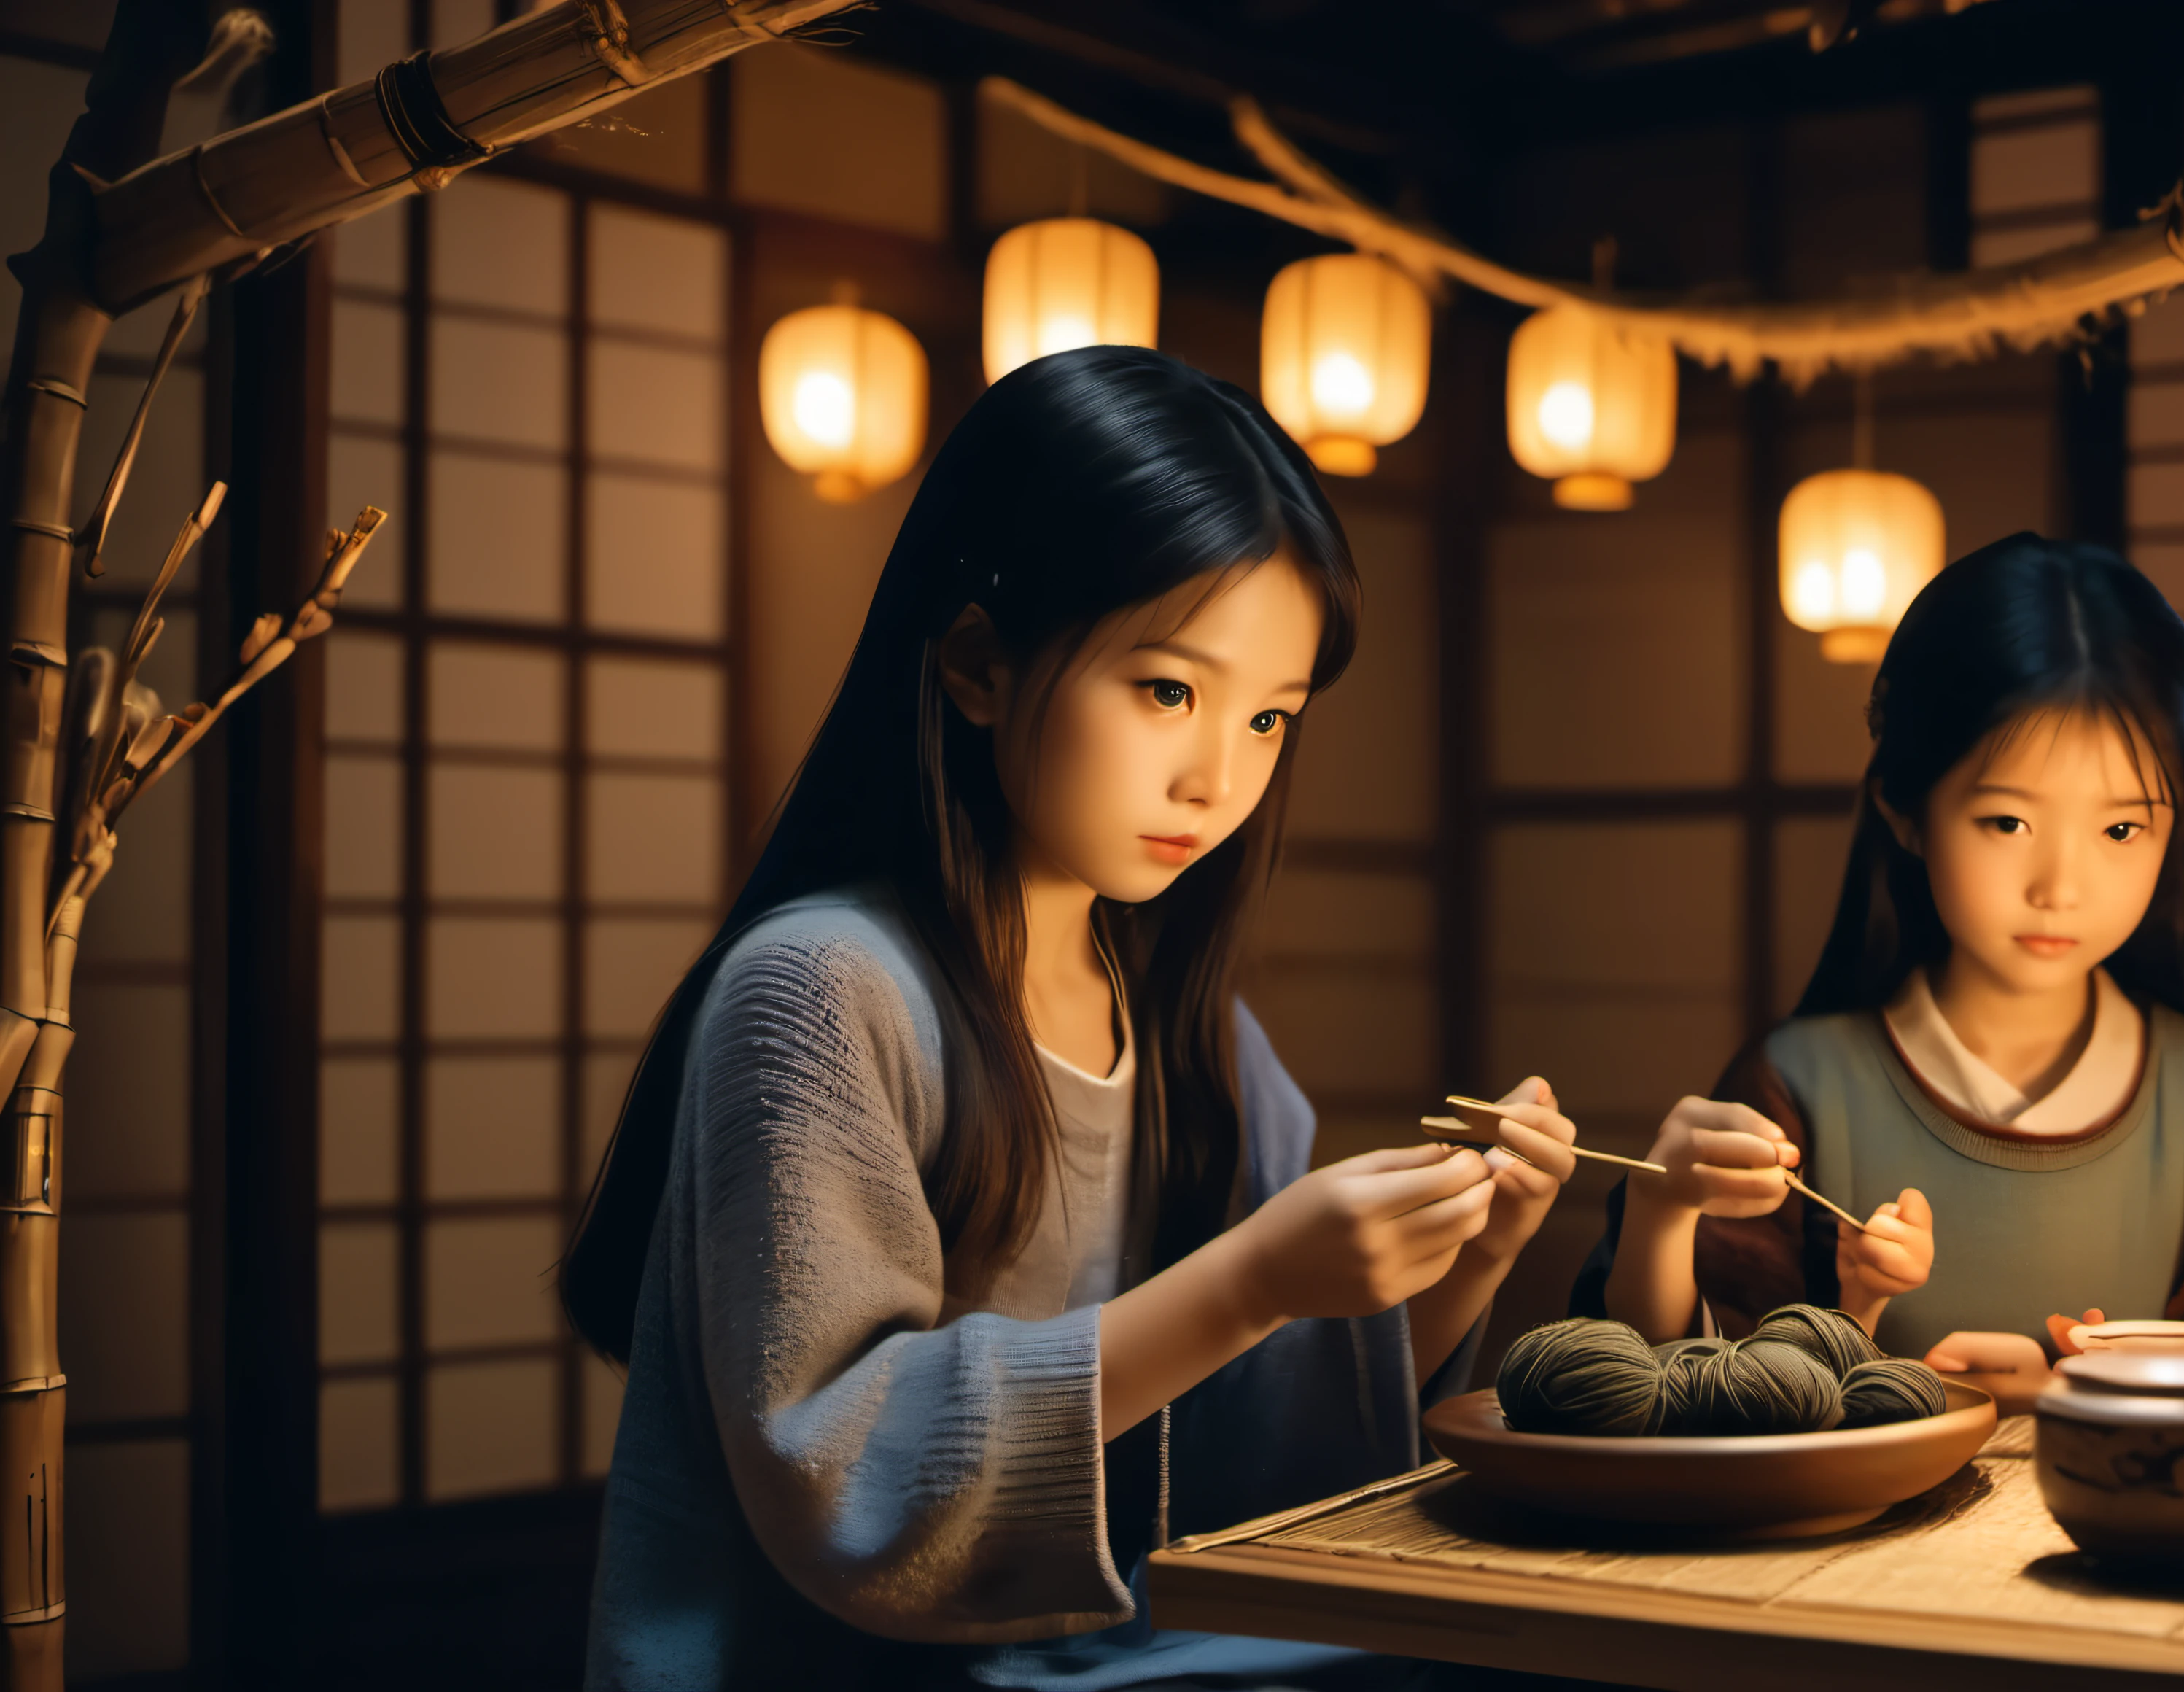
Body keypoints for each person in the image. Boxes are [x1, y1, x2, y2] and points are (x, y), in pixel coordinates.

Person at [562, 346, 1582, 1690]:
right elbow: (843, 1467)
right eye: (1169, 690)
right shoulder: (822, 992)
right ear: (980, 664)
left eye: (1271, 716)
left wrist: (1469, 1254)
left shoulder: (1191, 1026)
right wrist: (1258, 1276)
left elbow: (1259, 1433)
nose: (1220, 777)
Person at [1572, 532, 2184, 1400]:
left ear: (2177, 825)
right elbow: (1673, 1393)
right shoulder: (1802, 1084)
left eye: (2121, 830)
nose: (2060, 889)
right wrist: (1661, 1208)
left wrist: (2068, 1385)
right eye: (2006, 823)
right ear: (1907, 811)